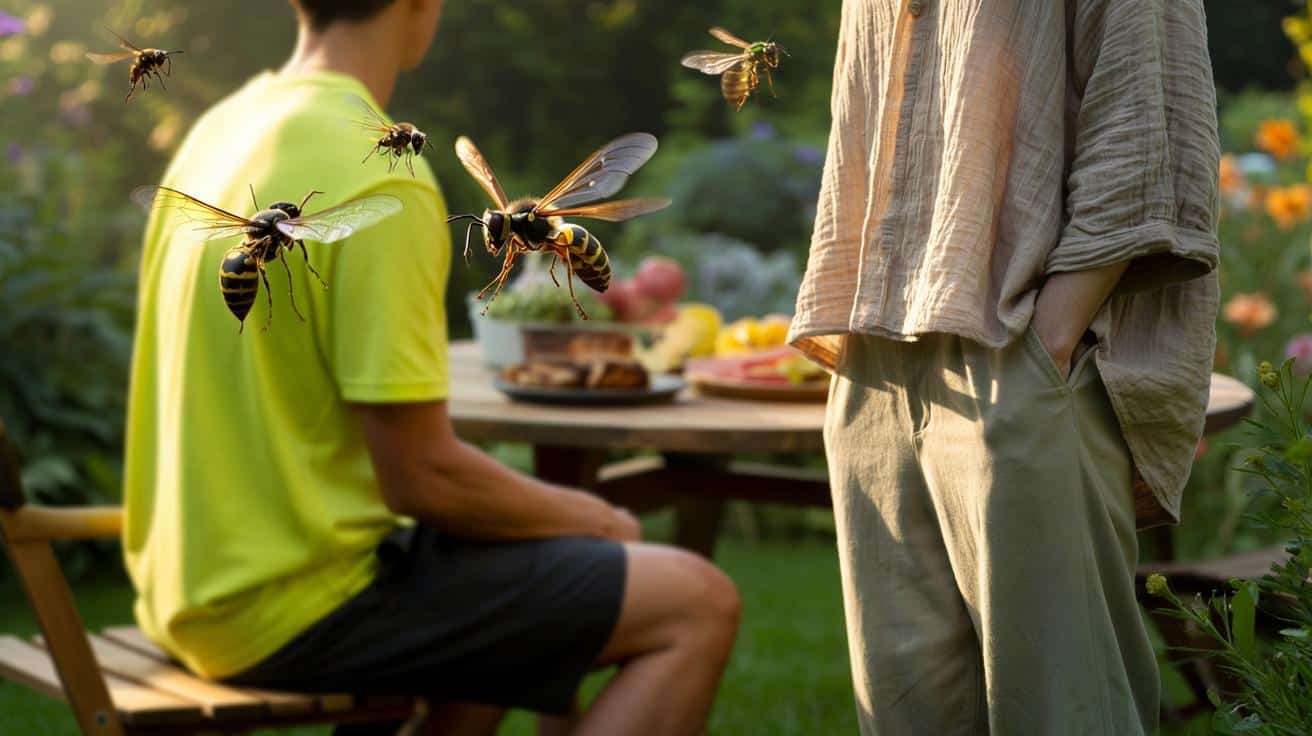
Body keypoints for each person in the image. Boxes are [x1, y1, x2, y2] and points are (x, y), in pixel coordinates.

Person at [122, 1, 740, 734]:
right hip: (294, 601)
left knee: (514, 574)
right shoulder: (381, 178)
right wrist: (600, 518)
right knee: (698, 602)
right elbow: (423, 477)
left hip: (189, 586)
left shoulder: (222, 128)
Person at [789, 1, 1219, 734]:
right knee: (907, 717)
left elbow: (1145, 118)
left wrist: (1046, 344)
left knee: (1062, 715)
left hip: (1017, 355)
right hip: (874, 365)